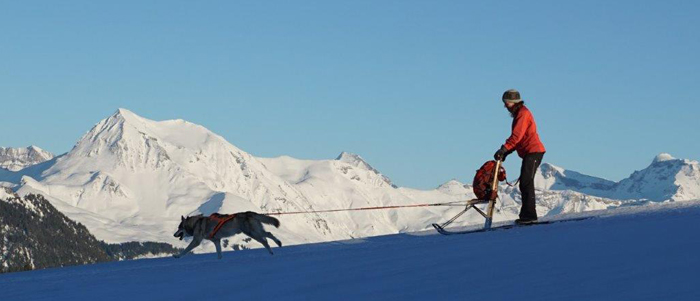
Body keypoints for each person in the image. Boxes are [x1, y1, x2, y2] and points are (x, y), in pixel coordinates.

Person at [494, 89, 546, 225]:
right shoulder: (520, 113)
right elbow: (519, 139)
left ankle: (529, 216)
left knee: (526, 182)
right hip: (529, 152)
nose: (505, 106)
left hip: (534, 151)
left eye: (506, 103)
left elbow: (517, 137)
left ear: (513, 102)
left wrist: (504, 149)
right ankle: (526, 215)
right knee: (525, 182)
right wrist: (506, 152)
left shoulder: (523, 114)